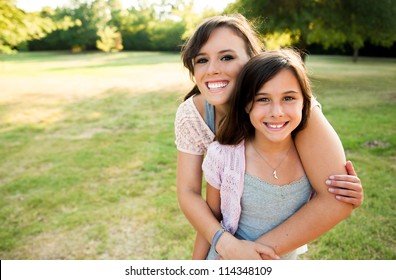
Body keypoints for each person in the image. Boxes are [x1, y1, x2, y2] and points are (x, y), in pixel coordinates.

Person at [175, 14, 364, 260]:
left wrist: (251, 257)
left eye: (227, 57)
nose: (212, 70)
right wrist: (227, 246)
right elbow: (189, 193)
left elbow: (337, 198)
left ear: (253, 60)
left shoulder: (291, 111)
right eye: (202, 60)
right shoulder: (194, 116)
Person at [197, 49, 337, 259]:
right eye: (263, 99)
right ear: (246, 104)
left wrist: (350, 195)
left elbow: (330, 200)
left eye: (288, 98)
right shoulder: (223, 157)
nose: (277, 112)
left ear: (304, 102)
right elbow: (209, 222)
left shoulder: (310, 157)